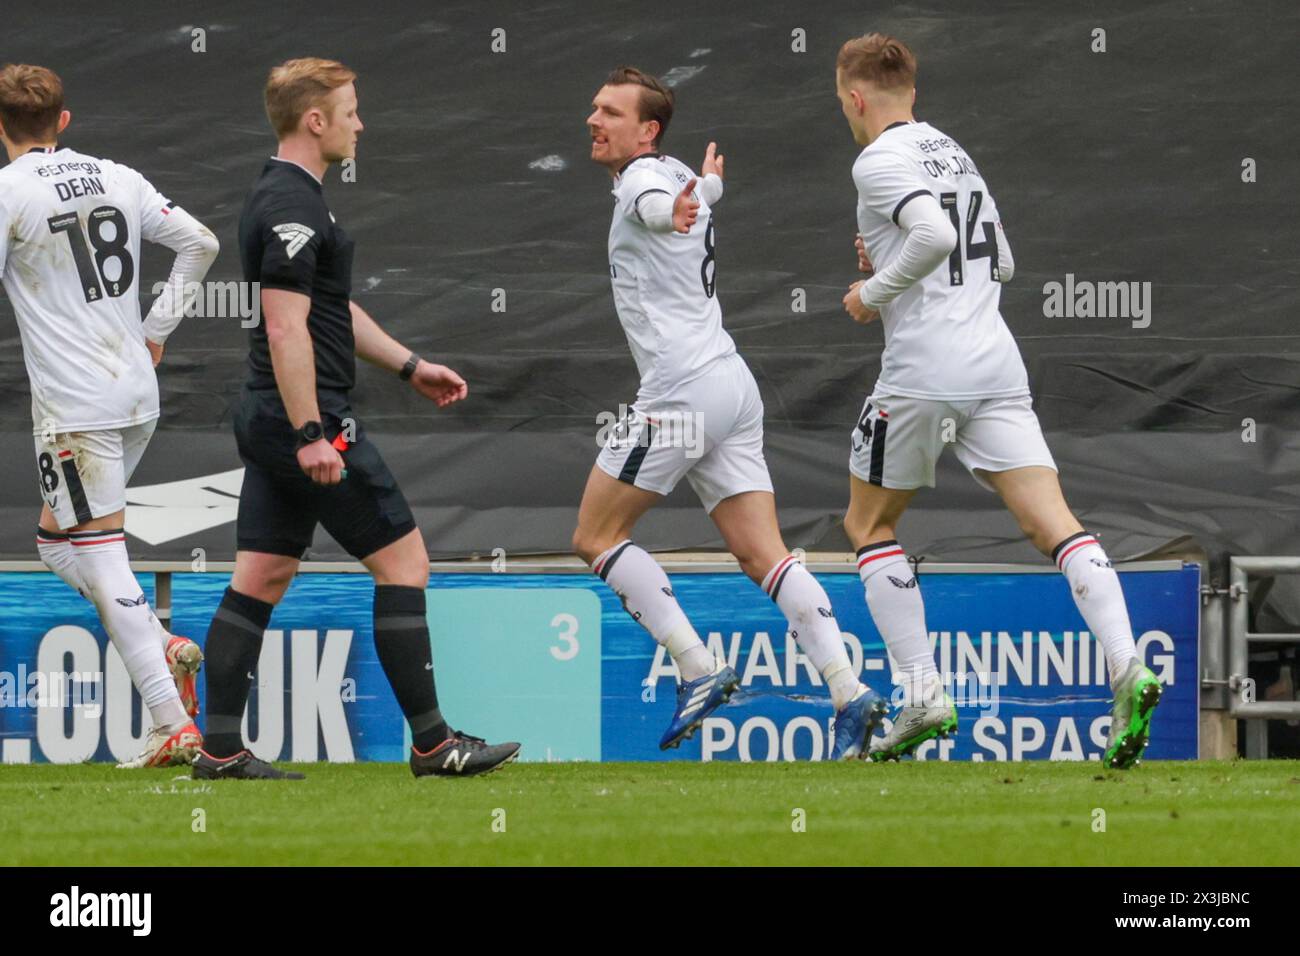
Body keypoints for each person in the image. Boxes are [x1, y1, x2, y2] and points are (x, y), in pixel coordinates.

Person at [834, 34, 1161, 768]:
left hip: (925, 368)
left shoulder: (877, 158)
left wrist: (872, 291)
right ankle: (1126, 665)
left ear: (855, 97)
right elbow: (1001, 260)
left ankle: (922, 694)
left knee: (868, 525)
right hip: (995, 363)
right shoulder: (955, 152)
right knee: (1055, 524)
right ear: (910, 90)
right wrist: (897, 255)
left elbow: (933, 233)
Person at [194, 57, 519, 780]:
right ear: (316, 120)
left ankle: (217, 751)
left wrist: (409, 365)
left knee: (263, 572)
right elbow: (285, 329)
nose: (360, 122)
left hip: (275, 415)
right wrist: (313, 432)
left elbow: (329, 309)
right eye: (350, 109)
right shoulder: (292, 203)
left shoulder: (300, 198)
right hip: (301, 419)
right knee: (405, 563)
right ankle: (435, 745)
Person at [575, 67, 888, 759]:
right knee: (765, 555)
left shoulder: (642, 182)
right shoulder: (677, 174)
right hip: (731, 386)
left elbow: (656, 204)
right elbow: (683, 198)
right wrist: (706, 191)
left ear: (647, 130)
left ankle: (697, 668)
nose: (593, 121)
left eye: (609, 112)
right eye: (594, 109)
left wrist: (672, 210)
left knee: (596, 536)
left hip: (681, 391)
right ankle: (851, 693)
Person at [0, 64, 218, 767]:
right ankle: (163, 644)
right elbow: (200, 243)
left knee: (101, 551)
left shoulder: (7, 194)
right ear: (64, 120)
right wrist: (156, 329)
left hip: (75, 404)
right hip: (134, 395)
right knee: (56, 542)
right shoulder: (116, 176)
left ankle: (169, 720)